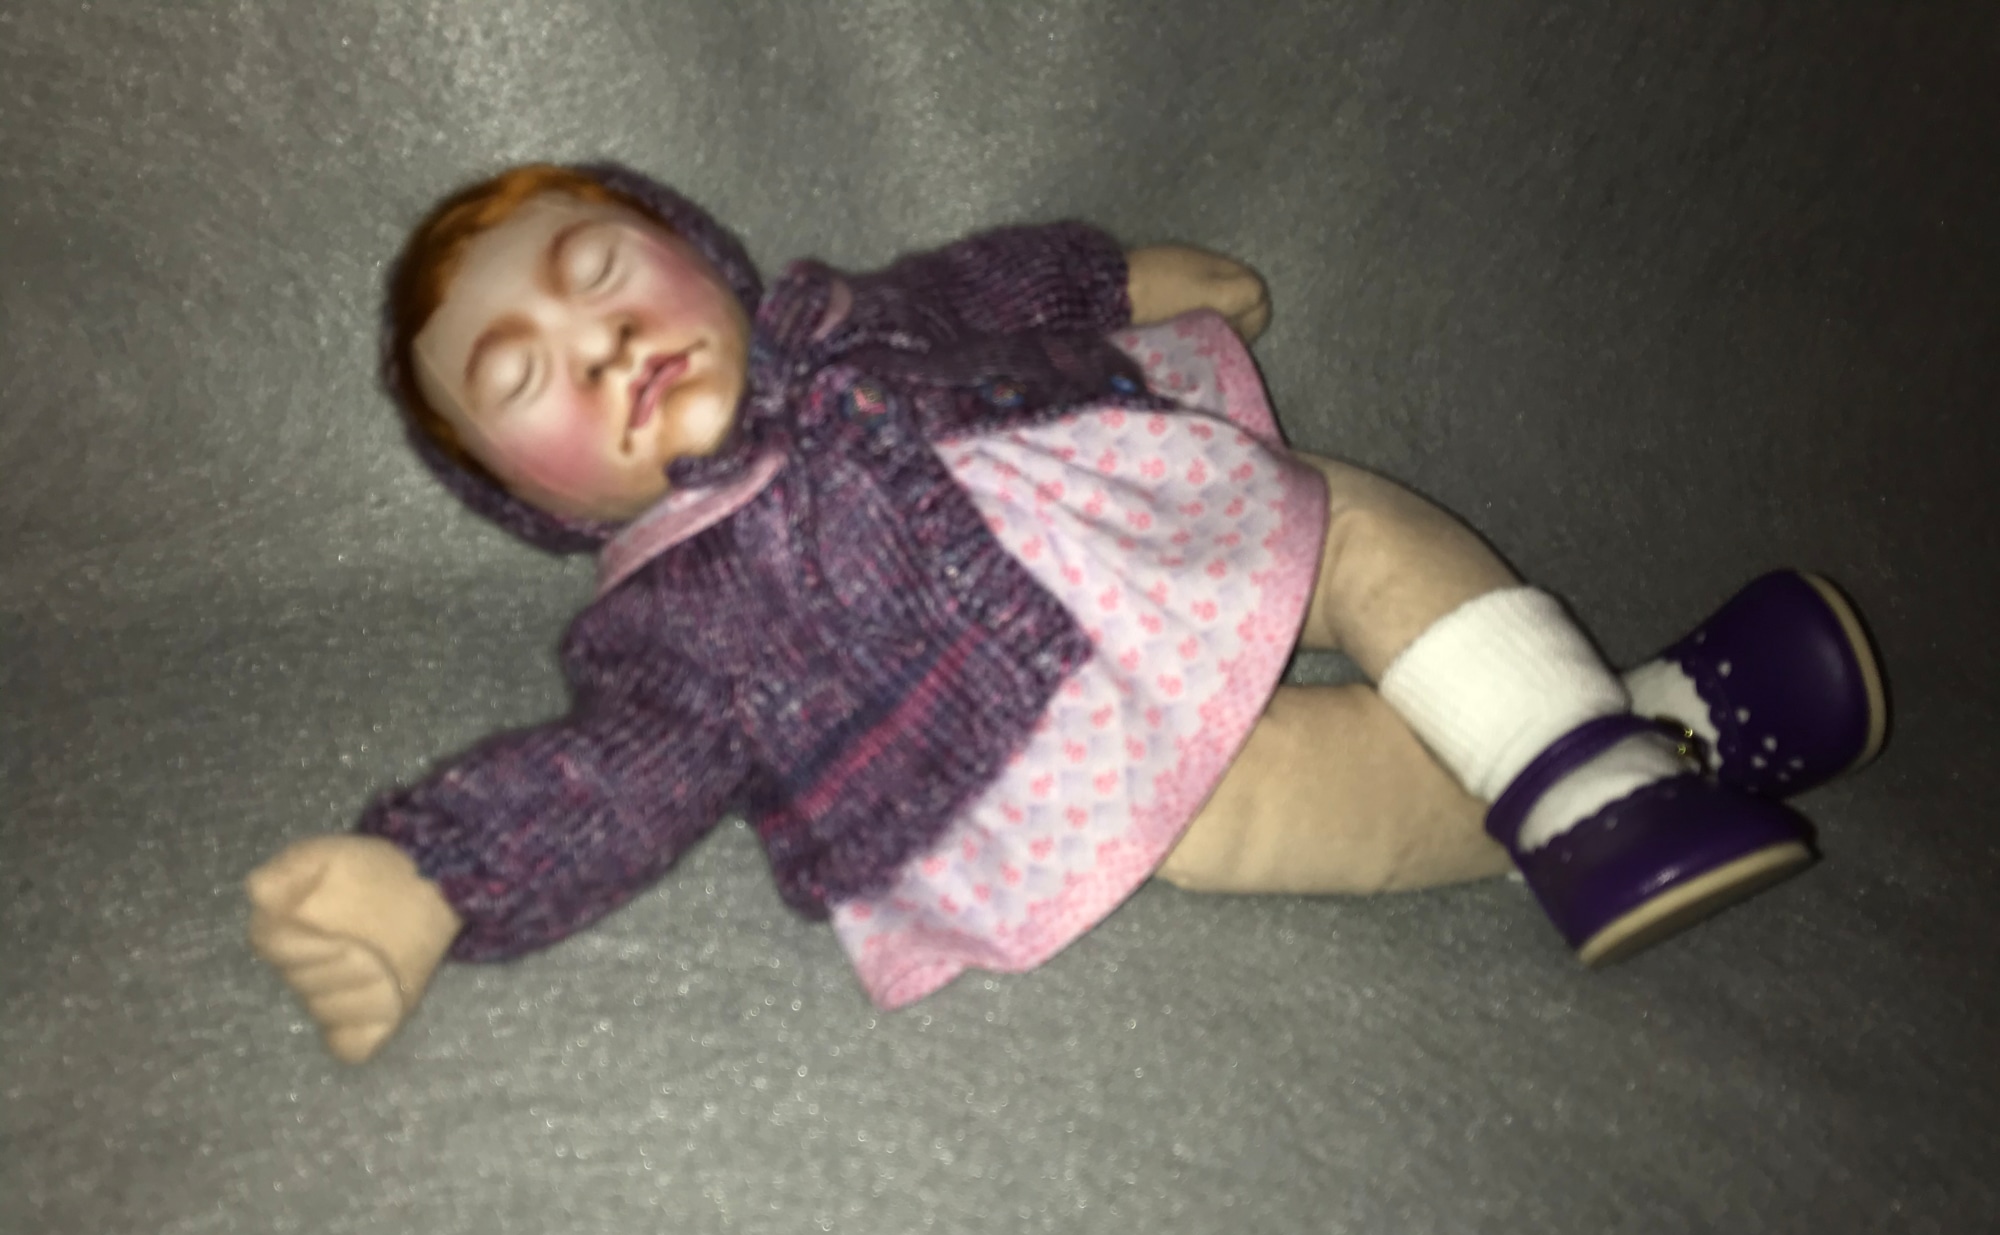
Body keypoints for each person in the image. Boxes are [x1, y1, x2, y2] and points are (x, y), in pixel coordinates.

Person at [247, 162, 1887, 1062]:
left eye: (600, 270)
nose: (596, 340)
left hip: (1154, 520)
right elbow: (610, 780)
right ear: (539, 506)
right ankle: (1663, 731)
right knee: (1297, 796)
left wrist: (1121, 279)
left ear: (696, 253)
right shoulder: (678, 623)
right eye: (522, 376)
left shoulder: (840, 319)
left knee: (1351, 523)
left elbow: (979, 287)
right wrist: (435, 879)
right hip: (1054, 770)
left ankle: (1574, 763)